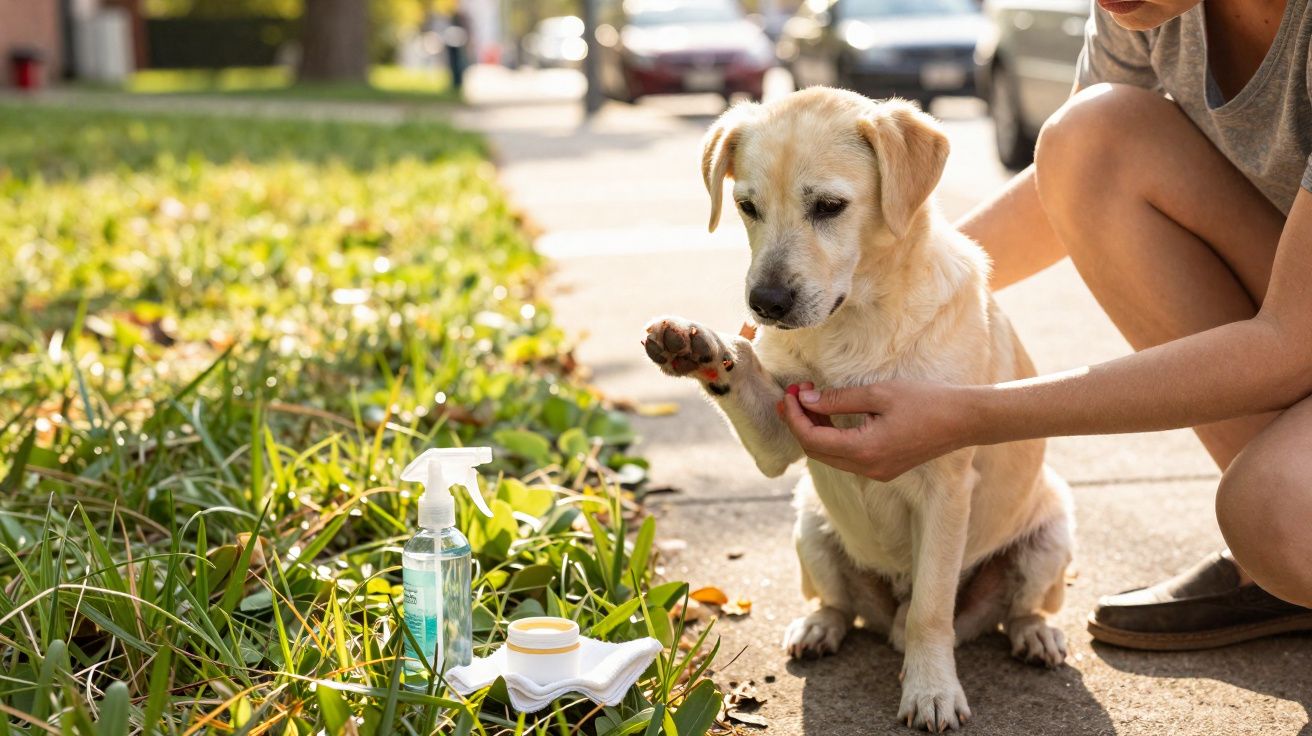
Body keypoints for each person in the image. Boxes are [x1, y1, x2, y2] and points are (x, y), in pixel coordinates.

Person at [778, 0, 1312, 651]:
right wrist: (883, 296)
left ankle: (1291, 528)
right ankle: (1283, 571)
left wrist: (968, 414)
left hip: (1299, 329)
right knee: (1091, 136)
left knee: (1280, 512)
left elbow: (1292, 344)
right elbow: (1073, 178)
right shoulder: (1147, 8)